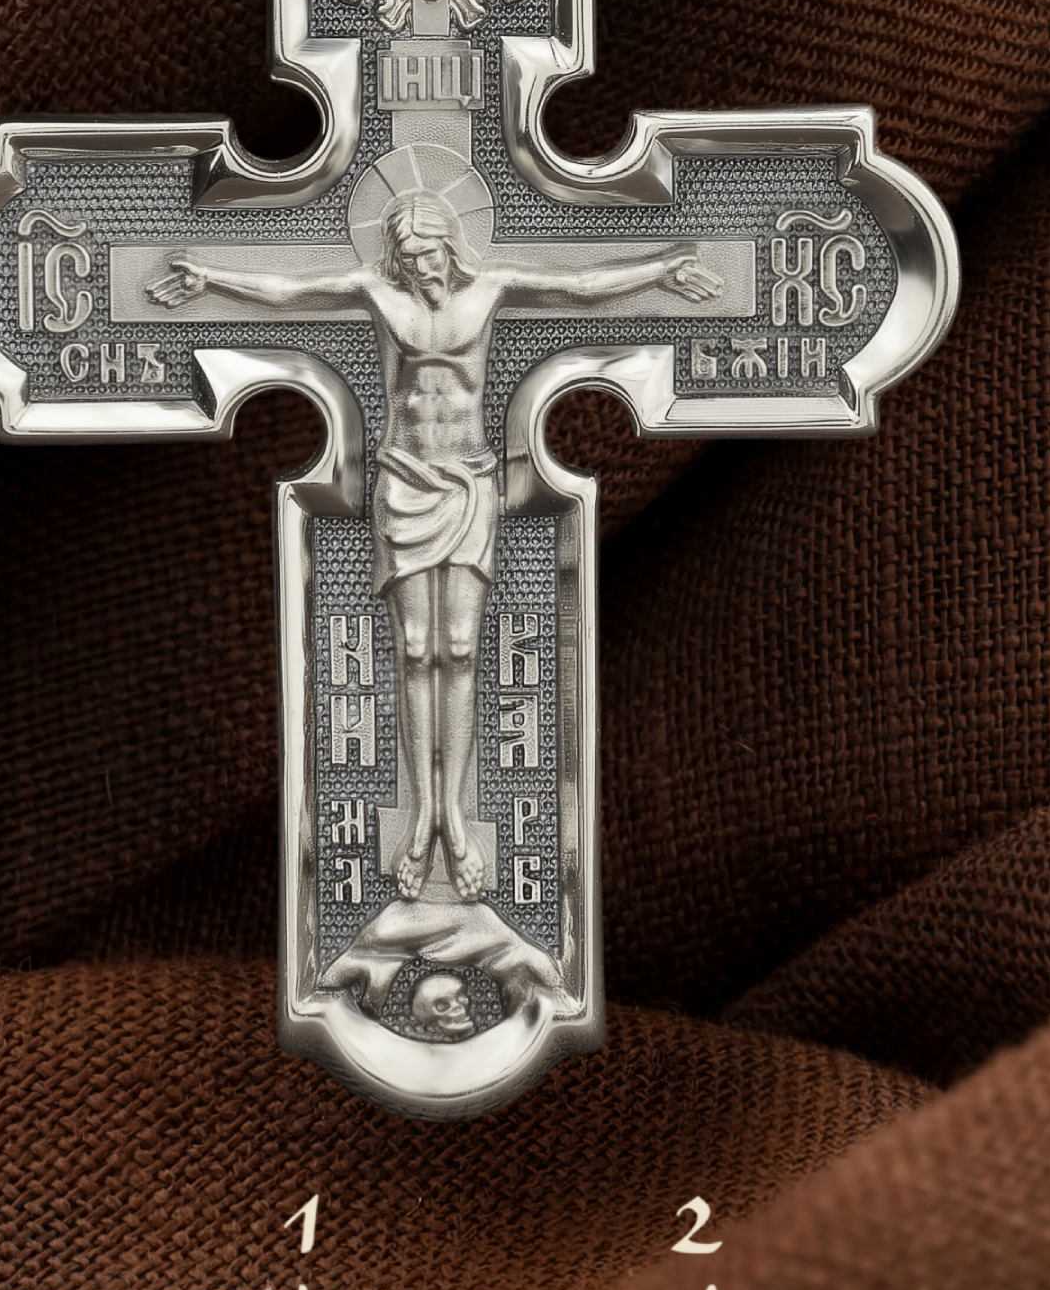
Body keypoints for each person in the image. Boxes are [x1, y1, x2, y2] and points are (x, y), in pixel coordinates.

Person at [147, 189, 722, 900]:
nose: (422, 268)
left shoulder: (491, 291)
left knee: (462, 649)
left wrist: (662, 268)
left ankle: (454, 815)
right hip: (405, 482)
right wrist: (209, 276)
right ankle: (424, 818)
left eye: (430, 254)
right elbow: (290, 291)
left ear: (451, 246)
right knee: (415, 650)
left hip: (470, 484)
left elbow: (579, 287)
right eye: (410, 256)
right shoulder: (378, 296)